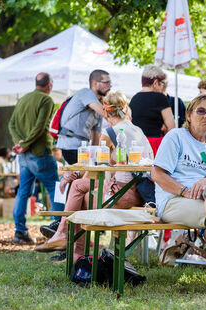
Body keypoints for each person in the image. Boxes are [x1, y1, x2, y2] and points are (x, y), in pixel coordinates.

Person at [35, 92, 154, 258]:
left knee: (79, 198)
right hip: (140, 195)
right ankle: (67, 242)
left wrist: (74, 174)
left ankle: (67, 242)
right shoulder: (138, 130)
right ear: (125, 108)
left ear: (105, 112)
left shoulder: (110, 132)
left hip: (121, 195)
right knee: (79, 194)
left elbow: (98, 168)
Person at [151, 93, 206, 296]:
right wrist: (184, 190)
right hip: (174, 200)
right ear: (189, 115)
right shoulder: (176, 136)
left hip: (204, 198)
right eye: (201, 111)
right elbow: (156, 173)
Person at [8, 72, 62, 244]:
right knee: (55, 188)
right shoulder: (46, 100)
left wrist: (19, 143)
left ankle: (20, 232)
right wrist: (26, 143)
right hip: (39, 153)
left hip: (23, 156)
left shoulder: (23, 99)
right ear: (49, 85)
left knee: (23, 192)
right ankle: (60, 229)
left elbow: (12, 124)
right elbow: (40, 127)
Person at [56, 69, 110, 165]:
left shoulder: (99, 105)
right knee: (82, 175)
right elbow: (106, 114)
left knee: (86, 174)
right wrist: (122, 120)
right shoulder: (86, 93)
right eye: (106, 82)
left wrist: (95, 158)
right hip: (70, 146)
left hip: (82, 148)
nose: (109, 86)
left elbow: (96, 136)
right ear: (95, 83)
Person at [130, 65, 176, 156]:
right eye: (162, 83)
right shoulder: (161, 98)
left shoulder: (134, 99)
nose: (163, 86)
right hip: (155, 145)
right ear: (155, 83)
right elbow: (172, 127)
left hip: (137, 145)